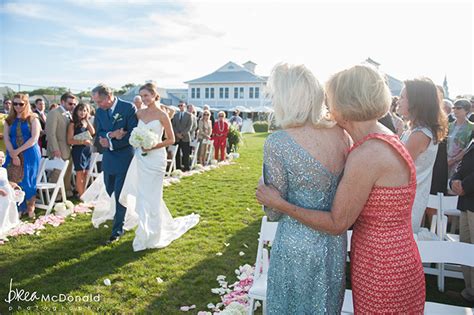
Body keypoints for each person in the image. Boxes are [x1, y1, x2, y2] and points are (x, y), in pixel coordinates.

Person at [257, 65, 425, 313]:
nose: (327, 107)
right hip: (395, 253)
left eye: (331, 99)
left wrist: (280, 203)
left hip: (381, 264)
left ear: (347, 103)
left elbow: (337, 222)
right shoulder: (381, 137)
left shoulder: (367, 153)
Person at [259, 63, 349, 313]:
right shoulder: (342, 134)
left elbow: (273, 212)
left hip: (294, 244)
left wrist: (264, 191)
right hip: (333, 244)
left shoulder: (277, 142)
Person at [119, 82, 199, 251]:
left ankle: (154, 234)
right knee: (142, 194)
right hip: (141, 157)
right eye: (142, 96)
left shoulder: (163, 115)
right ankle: (143, 230)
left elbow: (170, 139)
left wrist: (152, 146)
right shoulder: (139, 113)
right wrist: (137, 141)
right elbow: (133, 131)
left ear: (155, 95)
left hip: (156, 159)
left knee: (153, 195)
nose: (144, 99)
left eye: (147, 95)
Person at [398, 78, 448, 232]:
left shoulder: (419, 134)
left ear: (416, 102)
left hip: (406, 205)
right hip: (409, 201)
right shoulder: (416, 131)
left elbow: (397, 168)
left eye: (402, 97)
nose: (398, 102)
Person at [92, 83, 138, 244]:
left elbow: (133, 132)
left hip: (125, 156)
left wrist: (115, 140)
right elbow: (99, 132)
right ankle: (125, 214)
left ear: (109, 97)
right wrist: (111, 135)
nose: (97, 105)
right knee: (109, 188)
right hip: (109, 158)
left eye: (99, 102)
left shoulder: (128, 108)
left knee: (119, 194)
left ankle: (117, 230)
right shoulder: (99, 111)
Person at [2, 94, 41, 218]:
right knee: (12, 179)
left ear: (26, 104)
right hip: (12, 152)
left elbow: (34, 138)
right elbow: (7, 138)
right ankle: (17, 208)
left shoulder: (33, 118)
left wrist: (18, 151)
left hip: (29, 152)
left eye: (21, 104)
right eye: (15, 103)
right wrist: (13, 153)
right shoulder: (9, 120)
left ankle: (30, 208)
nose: (17, 106)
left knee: (27, 180)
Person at [450, 140, 474, 303]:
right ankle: (469, 292)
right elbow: (463, 164)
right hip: (466, 202)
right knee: (466, 247)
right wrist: (454, 181)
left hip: (470, 194)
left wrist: (465, 185)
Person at [46, 92, 77, 198]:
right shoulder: (54, 113)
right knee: (57, 173)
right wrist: (55, 149)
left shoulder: (70, 114)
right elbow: (50, 133)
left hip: (69, 149)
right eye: (70, 103)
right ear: (62, 102)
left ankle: (66, 193)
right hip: (58, 149)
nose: (72, 106)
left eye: (74, 104)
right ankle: (55, 195)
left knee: (67, 173)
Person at [67, 103, 95, 197]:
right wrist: (82, 142)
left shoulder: (85, 122)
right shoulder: (72, 123)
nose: (82, 112)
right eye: (80, 110)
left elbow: (92, 132)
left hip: (87, 150)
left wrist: (87, 119)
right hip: (78, 151)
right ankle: (82, 196)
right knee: (80, 173)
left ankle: (83, 194)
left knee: (86, 173)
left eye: (85, 110)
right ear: (76, 111)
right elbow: (69, 140)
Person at [447, 99, 474, 178]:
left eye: (458, 108)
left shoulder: (472, 127)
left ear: (466, 110)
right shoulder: (448, 126)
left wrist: (454, 160)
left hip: (461, 164)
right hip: (446, 162)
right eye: (454, 108)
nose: (455, 110)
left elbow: (469, 148)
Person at [0, 150, 21, 239]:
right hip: (1, 194)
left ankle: (10, 221)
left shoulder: (3, 170)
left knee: (10, 206)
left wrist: (13, 185)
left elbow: (5, 181)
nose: (0, 159)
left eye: (2, 157)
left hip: (7, 193)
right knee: (3, 207)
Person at [171, 101, 192, 171]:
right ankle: (178, 167)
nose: (180, 107)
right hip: (177, 138)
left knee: (185, 153)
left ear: (185, 106)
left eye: (181, 105)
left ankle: (186, 167)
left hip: (185, 137)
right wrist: (177, 133)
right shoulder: (175, 115)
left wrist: (182, 134)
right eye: (179, 105)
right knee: (177, 153)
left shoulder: (189, 115)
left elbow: (189, 127)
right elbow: (173, 125)